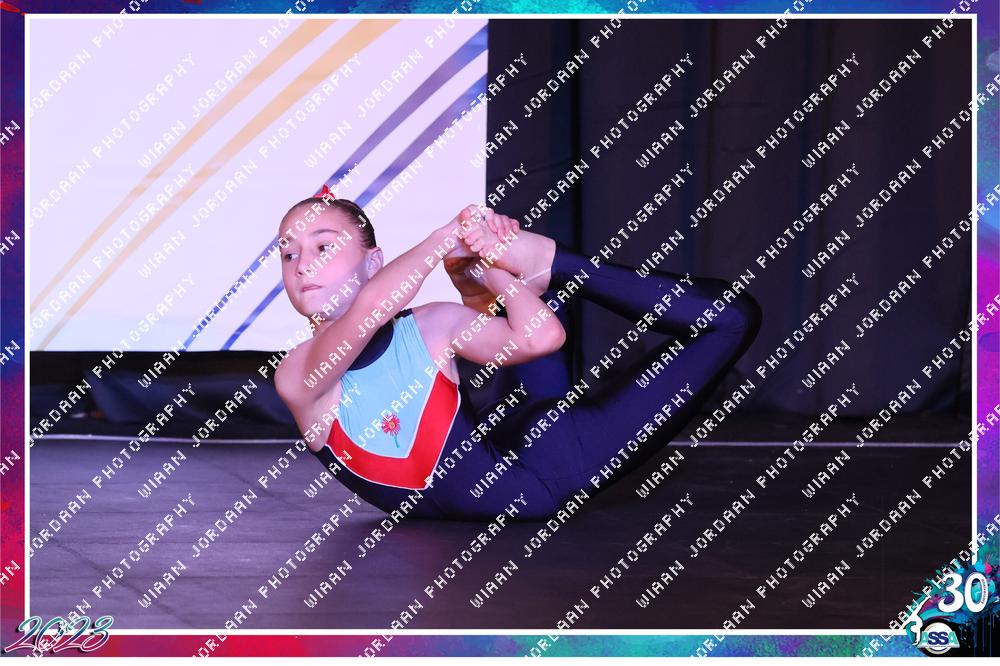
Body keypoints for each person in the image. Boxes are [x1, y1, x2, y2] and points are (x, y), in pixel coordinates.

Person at [273, 194, 761, 521]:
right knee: (730, 320)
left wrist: (488, 271)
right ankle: (548, 265)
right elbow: (372, 307)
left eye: (324, 246)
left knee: (731, 317)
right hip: (542, 480)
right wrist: (448, 238)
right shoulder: (296, 374)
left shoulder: (429, 324)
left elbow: (540, 337)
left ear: (374, 262)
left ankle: (552, 265)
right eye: (288, 254)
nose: (303, 265)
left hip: (538, 443)